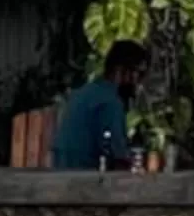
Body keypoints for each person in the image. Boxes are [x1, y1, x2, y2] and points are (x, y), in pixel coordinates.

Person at [51, 40, 148, 170]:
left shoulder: (84, 93)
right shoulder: (110, 103)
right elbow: (119, 156)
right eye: (139, 74)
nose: (139, 83)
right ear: (121, 70)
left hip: (61, 173)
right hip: (85, 175)